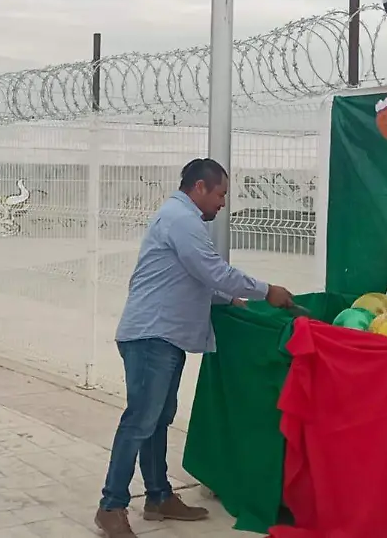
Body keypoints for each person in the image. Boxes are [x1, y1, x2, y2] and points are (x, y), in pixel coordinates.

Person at [94, 158, 297, 538]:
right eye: (220, 194)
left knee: (156, 421)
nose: (222, 203)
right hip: (151, 336)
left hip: (164, 336)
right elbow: (211, 270)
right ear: (199, 188)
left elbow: (194, 278)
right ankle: (111, 506)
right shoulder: (182, 219)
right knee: (140, 421)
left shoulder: (178, 218)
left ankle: (158, 497)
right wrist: (266, 291)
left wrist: (228, 299)